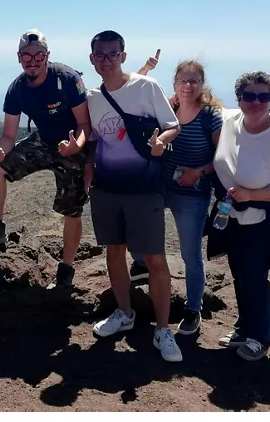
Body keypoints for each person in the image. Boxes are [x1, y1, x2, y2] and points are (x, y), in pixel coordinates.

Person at [84, 30, 183, 362]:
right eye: (101, 55)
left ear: (123, 56)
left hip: (145, 187)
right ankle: (124, 313)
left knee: (155, 258)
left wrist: (162, 142)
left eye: (113, 54)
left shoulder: (146, 87)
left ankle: (163, 329)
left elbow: (173, 125)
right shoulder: (93, 97)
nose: (107, 60)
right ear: (92, 59)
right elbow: (96, 140)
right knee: (114, 251)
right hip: (108, 187)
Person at [0, 29, 91, 290]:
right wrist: (0, 152)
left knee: (71, 209)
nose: (33, 60)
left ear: (47, 55)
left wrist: (77, 146)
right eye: (27, 55)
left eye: (39, 55)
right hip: (44, 141)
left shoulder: (67, 79)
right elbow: (8, 134)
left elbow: (84, 124)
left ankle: (66, 269)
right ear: (19, 57)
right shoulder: (17, 89)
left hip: (73, 147)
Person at [212, 70, 270, 361]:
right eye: (249, 96)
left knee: (253, 277)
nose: (256, 102)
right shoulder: (231, 121)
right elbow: (203, 102)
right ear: (239, 99)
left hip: (261, 221)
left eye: (263, 97)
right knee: (240, 274)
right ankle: (244, 327)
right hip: (233, 216)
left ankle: (260, 337)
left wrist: (252, 194)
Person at [138, 59, 224, 336]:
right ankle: (140, 265)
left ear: (202, 84)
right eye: (183, 80)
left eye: (194, 81)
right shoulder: (169, 108)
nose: (188, 86)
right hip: (162, 187)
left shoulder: (211, 115)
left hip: (193, 194)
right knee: (136, 225)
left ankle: (192, 308)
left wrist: (198, 172)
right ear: (175, 83)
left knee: (190, 254)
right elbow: (134, 94)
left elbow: (222, 158)